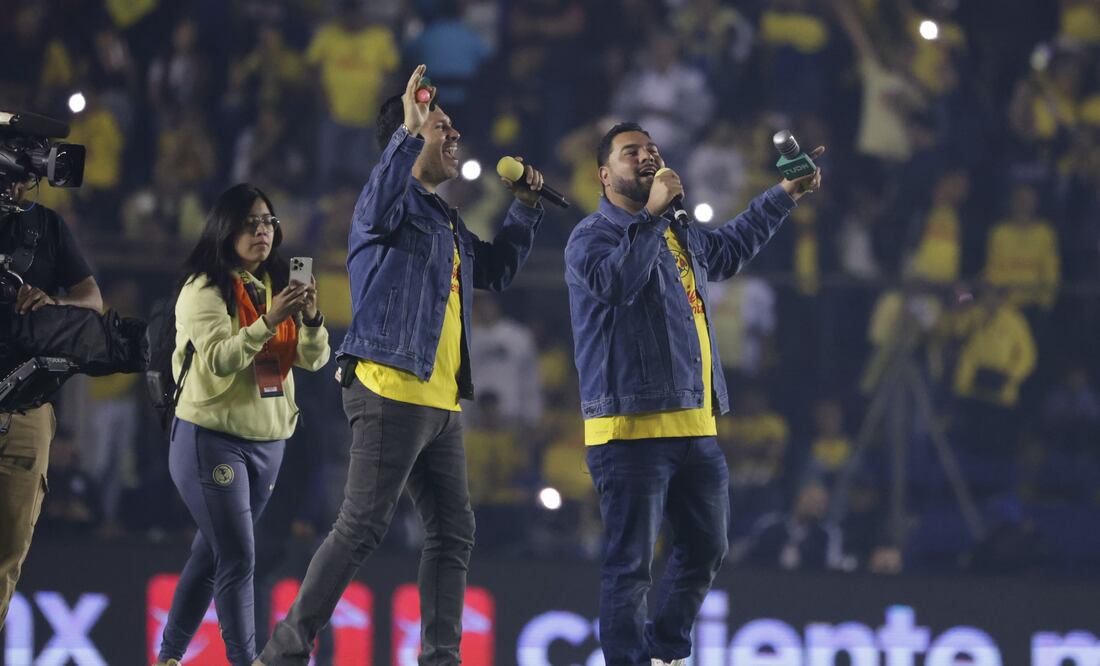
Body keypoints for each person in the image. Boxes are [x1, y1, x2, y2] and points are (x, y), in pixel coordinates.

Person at [259, 65, 546, 666]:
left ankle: (440, 658)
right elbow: (380, 201)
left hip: (439, 402)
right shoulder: (383, 202)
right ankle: (283, 652)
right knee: (362, 525)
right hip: (391, 388)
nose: (455, 134)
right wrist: (408, 134)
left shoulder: (444, 217)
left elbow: (492, 272)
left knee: (453, 532)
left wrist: (524, 210)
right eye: (441, 125)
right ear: (411, 136)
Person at [564, 122, 822, 665]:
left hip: (695, 427)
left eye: (651, 149)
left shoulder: (676, 232)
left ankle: (666, 651)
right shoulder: (592, 236)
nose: (647, 156)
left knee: (708, 547)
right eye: (630, 152)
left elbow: (725, 252)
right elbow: (617, 285)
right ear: (603, 175)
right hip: (631, 433)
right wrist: (654, 217)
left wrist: (785, 193)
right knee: (631, 567)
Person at [152, 184, 331, 666]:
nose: (261, 231)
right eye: (250, 223)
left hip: (269, 439)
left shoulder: (276, 284)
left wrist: (310, 317)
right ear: (225, 229)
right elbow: (217, 360)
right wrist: (270, 320)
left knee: (211, 556)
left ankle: (168, 656)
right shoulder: (203, 289)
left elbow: (314, 361)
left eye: (268, 222)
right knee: (238, 556)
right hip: (210, 438)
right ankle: (244, 659)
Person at [0, 177, 102, 628]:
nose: (23, 181)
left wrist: (54, 302)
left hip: (28, 409)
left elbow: (92, 301)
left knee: (8, 554)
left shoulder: (45, 226)